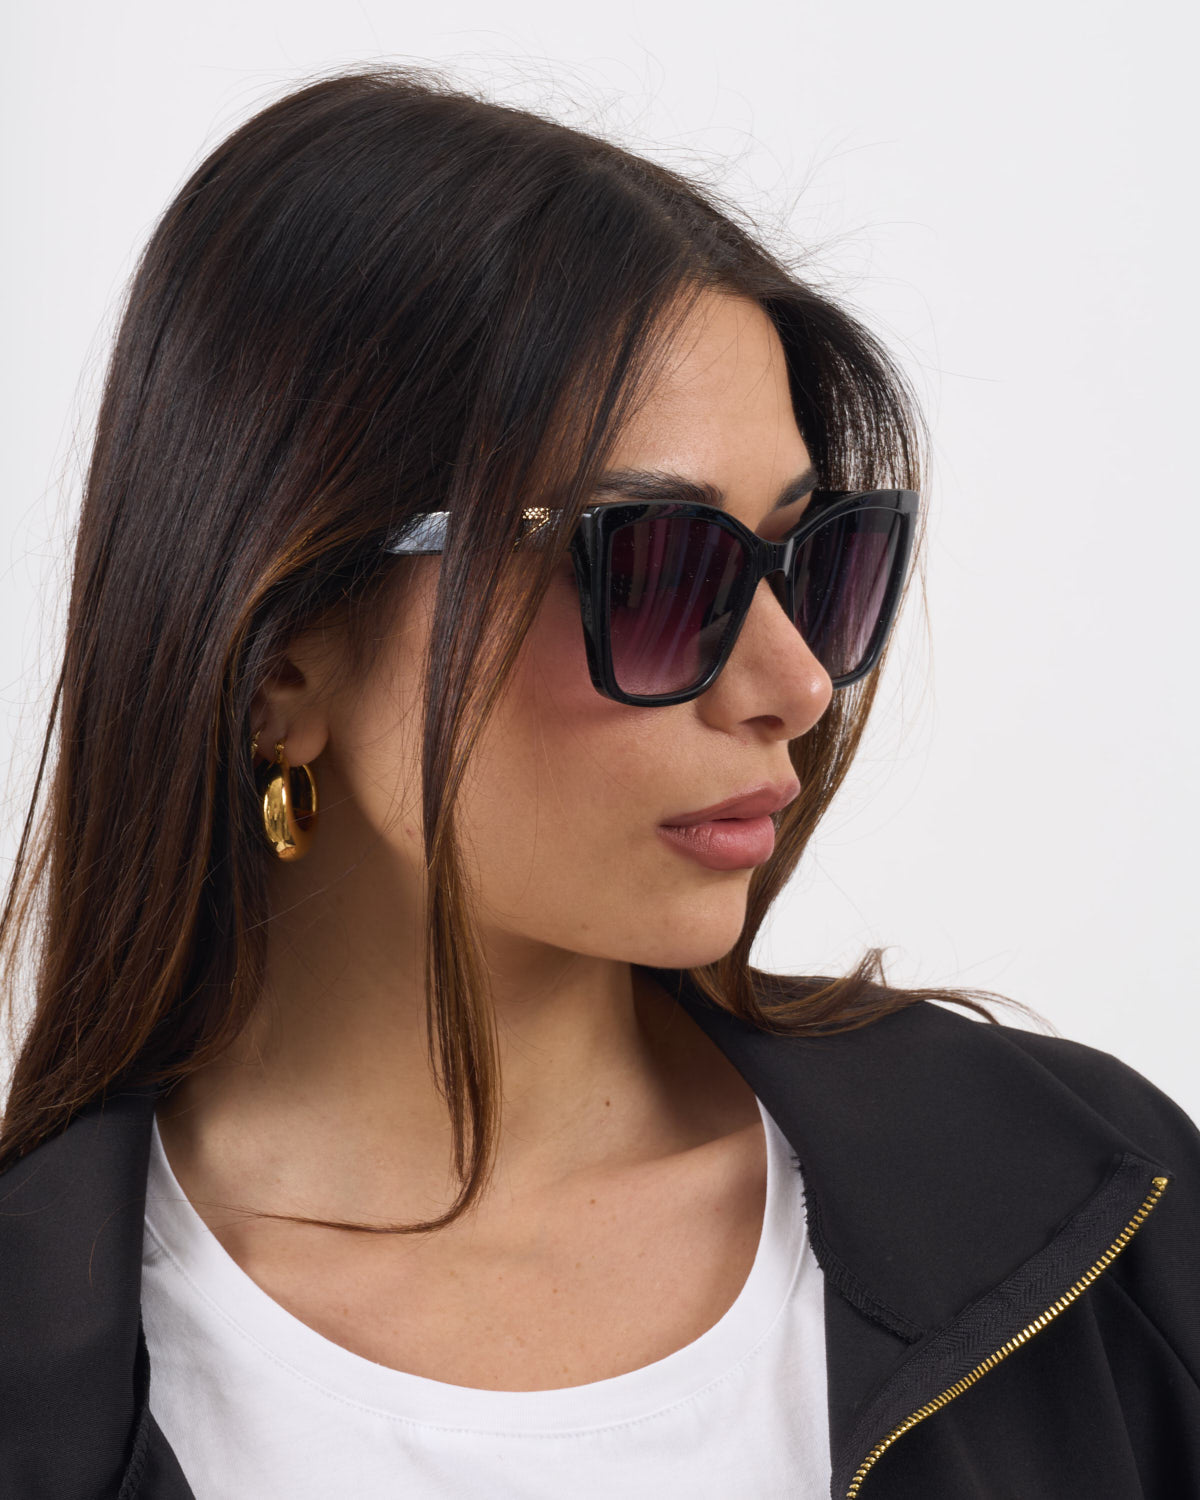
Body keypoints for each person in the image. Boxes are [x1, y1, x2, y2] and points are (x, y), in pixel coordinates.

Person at [0, 65, 1196, 1500]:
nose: (798, 684)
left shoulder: (1101, 1217)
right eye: (656, 565)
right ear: (284, 669)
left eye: (818, 559)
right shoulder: (42, 1380)